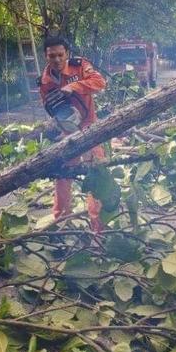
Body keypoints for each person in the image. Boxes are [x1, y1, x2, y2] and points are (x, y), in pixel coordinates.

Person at [38, 36, 107, 232]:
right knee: (62, 175)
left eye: (60, 55)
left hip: (90, 128)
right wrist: (60, 128)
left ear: (67, 54)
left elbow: (100, 82)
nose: (57, 60)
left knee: (97, 174)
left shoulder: (80, 66)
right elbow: (50, 109)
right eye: (52, 56)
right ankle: (61, 226)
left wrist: (72, 87)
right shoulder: (44, 81)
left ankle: (99, 230)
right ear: (46, 57)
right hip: (67, 132)